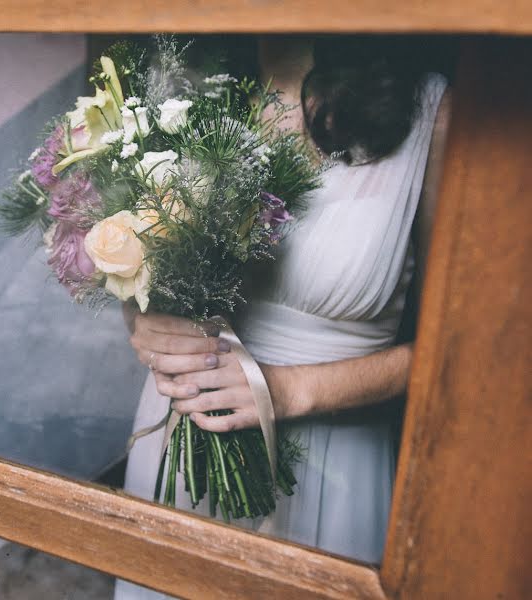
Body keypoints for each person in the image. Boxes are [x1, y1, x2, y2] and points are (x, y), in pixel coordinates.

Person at [116, 34, 452, 599]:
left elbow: (463, 352)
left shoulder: (432, 115)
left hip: (333, 458)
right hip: (182, 434)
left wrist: (289, 389)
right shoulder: (188, 86)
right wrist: (142, 317)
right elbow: (141, 258)